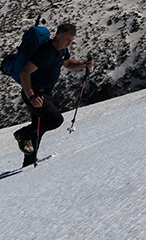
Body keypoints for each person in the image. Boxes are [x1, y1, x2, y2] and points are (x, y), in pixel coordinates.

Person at [13, 22, 92, 166]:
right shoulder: (45, 52)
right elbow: (24, 72)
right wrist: (31, 96)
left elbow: (68, 63)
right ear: (58, 36)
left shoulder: (62, 51)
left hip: (45, 93)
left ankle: (29, 163)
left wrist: (82, 65)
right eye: (68, 40)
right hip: (35, 94)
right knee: (55, 120)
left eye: (71, 41)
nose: (69, 43)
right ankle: (22, 134)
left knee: (38, 127)